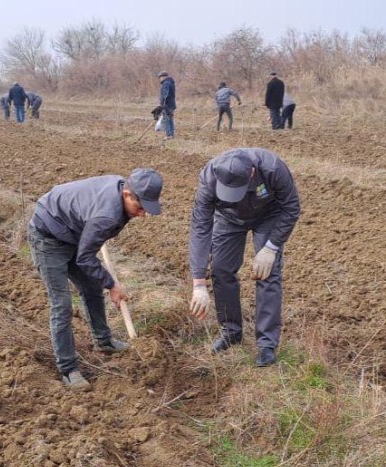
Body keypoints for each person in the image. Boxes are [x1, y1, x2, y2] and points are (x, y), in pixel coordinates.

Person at [28, 169, 164, 390]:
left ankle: (104, 341)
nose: (143, 214)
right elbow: (85, 258)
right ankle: (68, 369)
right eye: (140, 208)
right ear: (127, 194)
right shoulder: (106, 216)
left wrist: (104, 280)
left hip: (73, 231)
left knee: (92, 286)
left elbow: (86, 251)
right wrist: (112, 285)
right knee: (62, 304)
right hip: (48, 236)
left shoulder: (121, 190)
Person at [188, 148, 300, 367]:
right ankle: (231, 332)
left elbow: (291, 207)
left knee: (267, 274)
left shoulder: (273, 168)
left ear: (251, 173)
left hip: (268, 215)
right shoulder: (209, 176)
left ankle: (267, 344)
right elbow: (200, 227)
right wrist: (199, 282)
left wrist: (271, 247)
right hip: (228, 217)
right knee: (220, 269)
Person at [157, 71, 176, 139]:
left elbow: (165, 95)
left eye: (160, 77)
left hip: (167, 105)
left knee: (167, 119)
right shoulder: (171, 82)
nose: (160, 79)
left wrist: (161, 104)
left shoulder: (166, 83)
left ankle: (169, 135)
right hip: (171, 104)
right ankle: (171, 134)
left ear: (164, 77)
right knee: (170, 119)